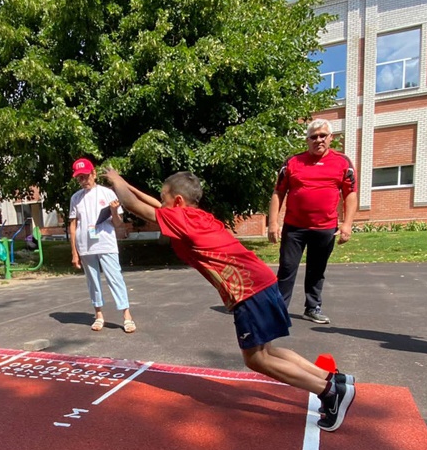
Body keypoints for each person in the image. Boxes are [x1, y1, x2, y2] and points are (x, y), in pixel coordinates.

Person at [104, 167, 356, 432]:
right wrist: (128, 184)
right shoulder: (194, 215)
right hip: (261, 282)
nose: (160, 202)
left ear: (177, 202)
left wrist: (116, 181)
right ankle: (334, 380)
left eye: (164, 197)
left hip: (247, 289)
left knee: (256, 359)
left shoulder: (180, 219)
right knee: (266, 351)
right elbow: (154, 204)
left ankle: (328, 392)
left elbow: (134, 205)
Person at [267, 118, 358, 324]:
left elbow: (350, 194)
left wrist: (347, 224)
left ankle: (313, 307)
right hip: (294, 228)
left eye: (323, 136)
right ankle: (279, 310)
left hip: (325, 227)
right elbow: (278, 193)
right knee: (287, 269)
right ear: (307, 140)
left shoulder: (343, 162)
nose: (319, 140)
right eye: (314, 137)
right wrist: (273, 223)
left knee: (317, 270)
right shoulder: (292, 162)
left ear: (331, 138)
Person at [68, 158, 136, 333]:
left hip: (106, 243)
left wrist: (113, 211)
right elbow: (73, 226)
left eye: (85, 176)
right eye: (79, 178)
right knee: (92, 281)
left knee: (115, 278)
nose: (83, 181)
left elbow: (118, 223)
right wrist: (74, 252)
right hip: (85, 246)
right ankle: (98, 314)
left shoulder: (107, 193)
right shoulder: (76, 198)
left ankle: (126, 315)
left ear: (94, 173)